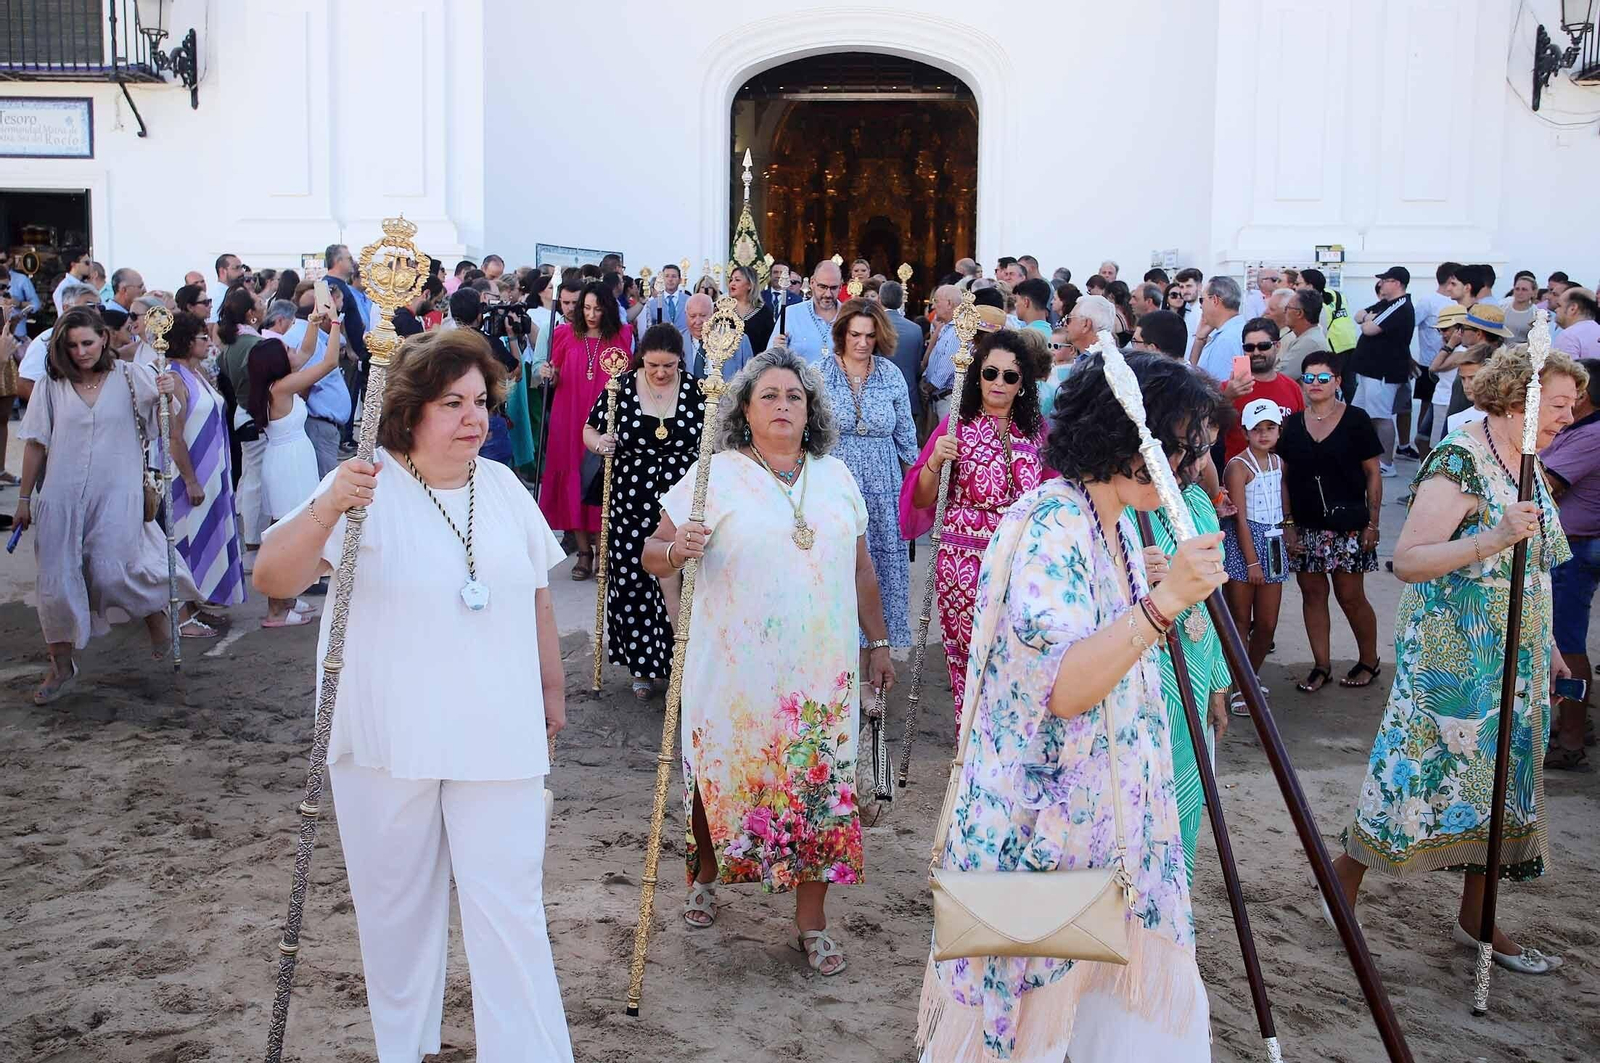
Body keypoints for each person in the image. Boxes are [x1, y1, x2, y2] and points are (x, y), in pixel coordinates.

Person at [252, 327, 574, 1062]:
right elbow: (274, 577)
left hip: (498, 729)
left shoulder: (501, 486)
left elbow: (536, 597)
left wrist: (551, 689)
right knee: (396, 914)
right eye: (452, 402)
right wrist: (330, 506)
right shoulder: (364, 486)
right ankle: (408, 1049)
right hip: (386, 735)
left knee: (511, 908)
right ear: (409, 410)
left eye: (481, 400)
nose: (475, 417)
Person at [917, 351, 1226, 1063]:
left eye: (1189, 447)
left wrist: (1158, 594)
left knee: (1101, 1020)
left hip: (1104, 826)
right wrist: (1163, 601)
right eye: (1173, 443)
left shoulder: (1114, 523)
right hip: (1043, 835)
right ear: (1121, 437)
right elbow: (1063, 685)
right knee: (1038, 1026)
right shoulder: (1052, 524)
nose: (1182, 463)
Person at [640, 346, 895, 975]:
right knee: (720, 773)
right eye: (769, 397)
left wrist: (879, 643)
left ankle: (811, 924)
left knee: (820, 789)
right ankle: (704, 872)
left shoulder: (837, 476)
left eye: (795, 397)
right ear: (744, 411)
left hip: (820, 667)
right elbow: (652, 551)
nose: (783, 406)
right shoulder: (714, 474)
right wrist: (677, 552)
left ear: (811, 411)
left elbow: (863, 568)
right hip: (732, 663)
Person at [1333, 347, 1585, 976]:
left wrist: (1547, 643)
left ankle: (1480, 914)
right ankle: (1343, 890)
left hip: (1517, 656)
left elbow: (1534, 571)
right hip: (1454, 659)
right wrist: (1494, 537)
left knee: (1500, 781)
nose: (1569, 416)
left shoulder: (1527, 461)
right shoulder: (1461, 459)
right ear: (1517, 397)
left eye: (1572, 405)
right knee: (1415, 776)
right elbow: (1409, 559)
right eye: (1557, 403)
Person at [12, 308, 195, 703]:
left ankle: (154, 617)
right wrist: (24, 498)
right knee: (57, 585)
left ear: (104, 340)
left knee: (111, 573)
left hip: (117, 493)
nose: (80, 352)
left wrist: (171, 387)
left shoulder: (129, 377)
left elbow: (169, 415)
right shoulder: (50, 386)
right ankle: (60, 664)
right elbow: (35, 444)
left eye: (88, 343)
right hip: (60, 497)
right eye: (72, 345)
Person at [899, 329, 1045, 718]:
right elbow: (921, 499)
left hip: (1019, 564)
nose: (998, 382)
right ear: (977, 375)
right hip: (963, 565)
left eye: (1010, 376)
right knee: (968, 657)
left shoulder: (1035, 435)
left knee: (1018, 656)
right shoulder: (955, 427)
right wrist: (934, 462)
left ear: (1022, 385)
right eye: (990, 372)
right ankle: (969, 750)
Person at [582, 324, 705, 700]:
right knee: (633, 579)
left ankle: (685, 665)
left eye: (669, 365)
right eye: (653, 365)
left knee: (682, 582)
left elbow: (714, 435)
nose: (661, 372)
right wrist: (601, 443)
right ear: (642, 359)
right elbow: (589, 428)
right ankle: (643, 668)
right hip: (630, 496)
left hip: (681, 498)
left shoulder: (698, 390)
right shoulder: (619, 387)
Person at [1278, 350, 1383, 693]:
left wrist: (1373, 523)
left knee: (1350, 595)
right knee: (1312, 594)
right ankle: (1320, 665)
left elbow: (1373, 474)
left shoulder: (1356, 419)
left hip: (1350, 524)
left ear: (1337, 381)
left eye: (1324, 378)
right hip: (1306, 524)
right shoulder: (1292, 424)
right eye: (1309, 378)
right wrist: (1289, 522)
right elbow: (1285, 477)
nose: (1315, 384)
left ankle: (1369, 660)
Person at [818, 299, 919, 653]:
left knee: (881, 573)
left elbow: (907, 440)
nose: (862, 342)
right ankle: (836, 661)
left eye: (870, 336)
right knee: (837, 571)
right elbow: (806, 437)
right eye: (855, 334)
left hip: (884, 489)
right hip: (834, 488)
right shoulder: (819, 374)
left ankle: (873, 664)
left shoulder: (891, 376)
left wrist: (916, 495)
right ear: (841, 334)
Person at [247, 320, 344, 627]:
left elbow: (307, 349)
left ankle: (285, 599)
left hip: (291, 459)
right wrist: (336, 324)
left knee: (291, 527)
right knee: (285, 534)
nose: (293, 350)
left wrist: (316, 321)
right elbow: (329, 361)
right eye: (285, 349)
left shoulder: (277, 383)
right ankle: (276, 608)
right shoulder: (281, 387)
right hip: (288, 463)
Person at [538, 279, 634, 579]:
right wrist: (549, 374)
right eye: (587, 308)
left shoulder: (623, 334)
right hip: (569, 417)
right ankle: (583, 552)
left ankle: (602, 548)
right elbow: (554, 378)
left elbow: (628, 376)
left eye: (597, 308)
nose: (591, 314)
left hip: (604, 416)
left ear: (607, 309)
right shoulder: (564, 334)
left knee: (600, 478)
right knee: (573, 479)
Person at [158, 310, 245, 632]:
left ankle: (196, 603)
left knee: (204, 537)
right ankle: (180, 616)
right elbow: (173, 434)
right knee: (185, 540)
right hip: (190, 474)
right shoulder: (175, 378)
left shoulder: (195, 374)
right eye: (201, 337)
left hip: (212, 470)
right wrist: (191, 479)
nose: (208, 341)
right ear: (184, 340)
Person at [1543, 357, 1600, 772]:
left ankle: (1571, 737)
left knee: (1567, 644)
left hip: (1575, 550)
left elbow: (1547, 483)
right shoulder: (1583, 429)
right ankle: (1573, 726)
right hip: (1572, 546)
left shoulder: (1591, 434)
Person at [1223, 398, 1289, 700]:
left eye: (1270, 427)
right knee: (1239, 619)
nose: (1264, 434)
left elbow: (1282, 501)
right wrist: (1251, 562)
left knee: (1267, 623)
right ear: (1246, 432)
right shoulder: (1238, 466)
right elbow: (1240, 519)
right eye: (1257, 429)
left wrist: (1289, 529)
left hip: (1273, 541)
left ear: (1278, 430)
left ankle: (1251, 676)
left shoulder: (1278, 463)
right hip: (1245, 545)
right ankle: (1239, 686)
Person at [1350, 266, 1416, 476]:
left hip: (1383, 373)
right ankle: (1360, 454)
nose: (1381, 284)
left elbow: (1369, 328)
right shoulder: (1385, 304)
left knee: (1381, 416)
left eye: (1385, 280)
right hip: (1368, 372)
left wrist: (1368, 320)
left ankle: (1387, 463)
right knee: (1359, 414)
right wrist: (1368, 318)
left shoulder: (1400, 306)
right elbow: (1358, 315)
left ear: (1396, 283)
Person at [1222, 317, 1304, 462]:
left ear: (1277, 346)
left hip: (1283, 474)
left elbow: (1300, 434)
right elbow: (1208, 430)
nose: (1256, 352)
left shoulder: (1293, 388)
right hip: (1238, 476)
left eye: (1264, 346)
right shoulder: (1228, 388)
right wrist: (1226, 398)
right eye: (1249, 347)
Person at [768, 259, 843, 361]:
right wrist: (776, 351)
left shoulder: (848, 316)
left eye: (833, 288)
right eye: (822, 287)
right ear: (812, 283)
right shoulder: (791, 314)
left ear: (840, 287)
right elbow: (769, 360)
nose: (828, 294)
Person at [879, 280, 925, 425]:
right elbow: (917, 366)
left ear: (879, 300)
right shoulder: (915, 329)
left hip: (878, 398)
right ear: (901, 302)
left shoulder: (874, 325)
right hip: (908, 395)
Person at [679, 293, 754, 380]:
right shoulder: (677, 341)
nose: (698, 321)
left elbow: (750, 379)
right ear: (685, 314)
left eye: (703, 315)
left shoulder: (738, 340)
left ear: (714, 313)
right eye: (692, 316)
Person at [1190, 275, 1245, 383]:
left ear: (1214, 300)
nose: (1201, 306)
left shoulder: (1226, 340)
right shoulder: (1237, 330)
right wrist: (1199, 339)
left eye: (1202, 300)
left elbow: (1217, 388)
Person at [1280, 287, 1328, 377]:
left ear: (1299, 313)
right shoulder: (1309, 337)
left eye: (1287, 308)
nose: (1284, 312)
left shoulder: (1309, 342)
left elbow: (1282, 376)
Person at [727, 264, 775, 352]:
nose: (732, 283)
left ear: (750, 285)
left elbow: (769, 344)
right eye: (731, 280)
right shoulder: (723, 310)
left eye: (737, 280)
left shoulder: (764, 312)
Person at [641, 263, 690, 331]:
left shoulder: (689, 301)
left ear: (680, 280)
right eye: (667, 276)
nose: (670, 279)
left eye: (674, 276)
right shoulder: (652, 304)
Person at [1554, 286, 1600, 358]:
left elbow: (1565, 369)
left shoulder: (1568, 336)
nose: (1556, 310)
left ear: (1573, 308)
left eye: (1559, 305)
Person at [1502, 272, 1539, 344]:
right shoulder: (1503, 306)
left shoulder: (1535, 313)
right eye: (1517, 289)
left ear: (1533, 292)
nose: (1520, 292)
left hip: (1521, 352)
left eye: (1524, 289)